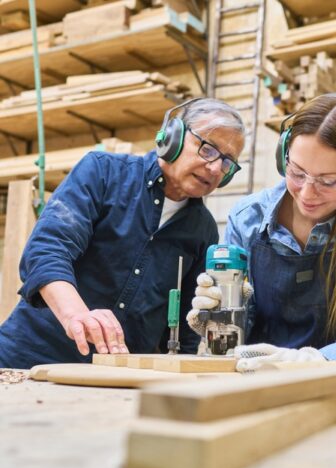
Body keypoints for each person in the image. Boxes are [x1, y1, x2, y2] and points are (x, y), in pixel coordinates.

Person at [0, 98, 245, 369]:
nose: (215, 168)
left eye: (227, 162)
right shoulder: (103, 172)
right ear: (172, 137)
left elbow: (185, 326)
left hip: (115, 378)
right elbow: (46, 251)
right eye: (208, 150)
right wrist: (76, 316)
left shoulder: (203, 230)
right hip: (27, 358)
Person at [188, 93, 336, 370]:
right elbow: (244, 321)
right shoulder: (247, 217)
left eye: (328, 181)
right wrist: (217, 317)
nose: (308, 193)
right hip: (260, 374)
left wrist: (323, 359)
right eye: (297, 173)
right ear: (283, 157)